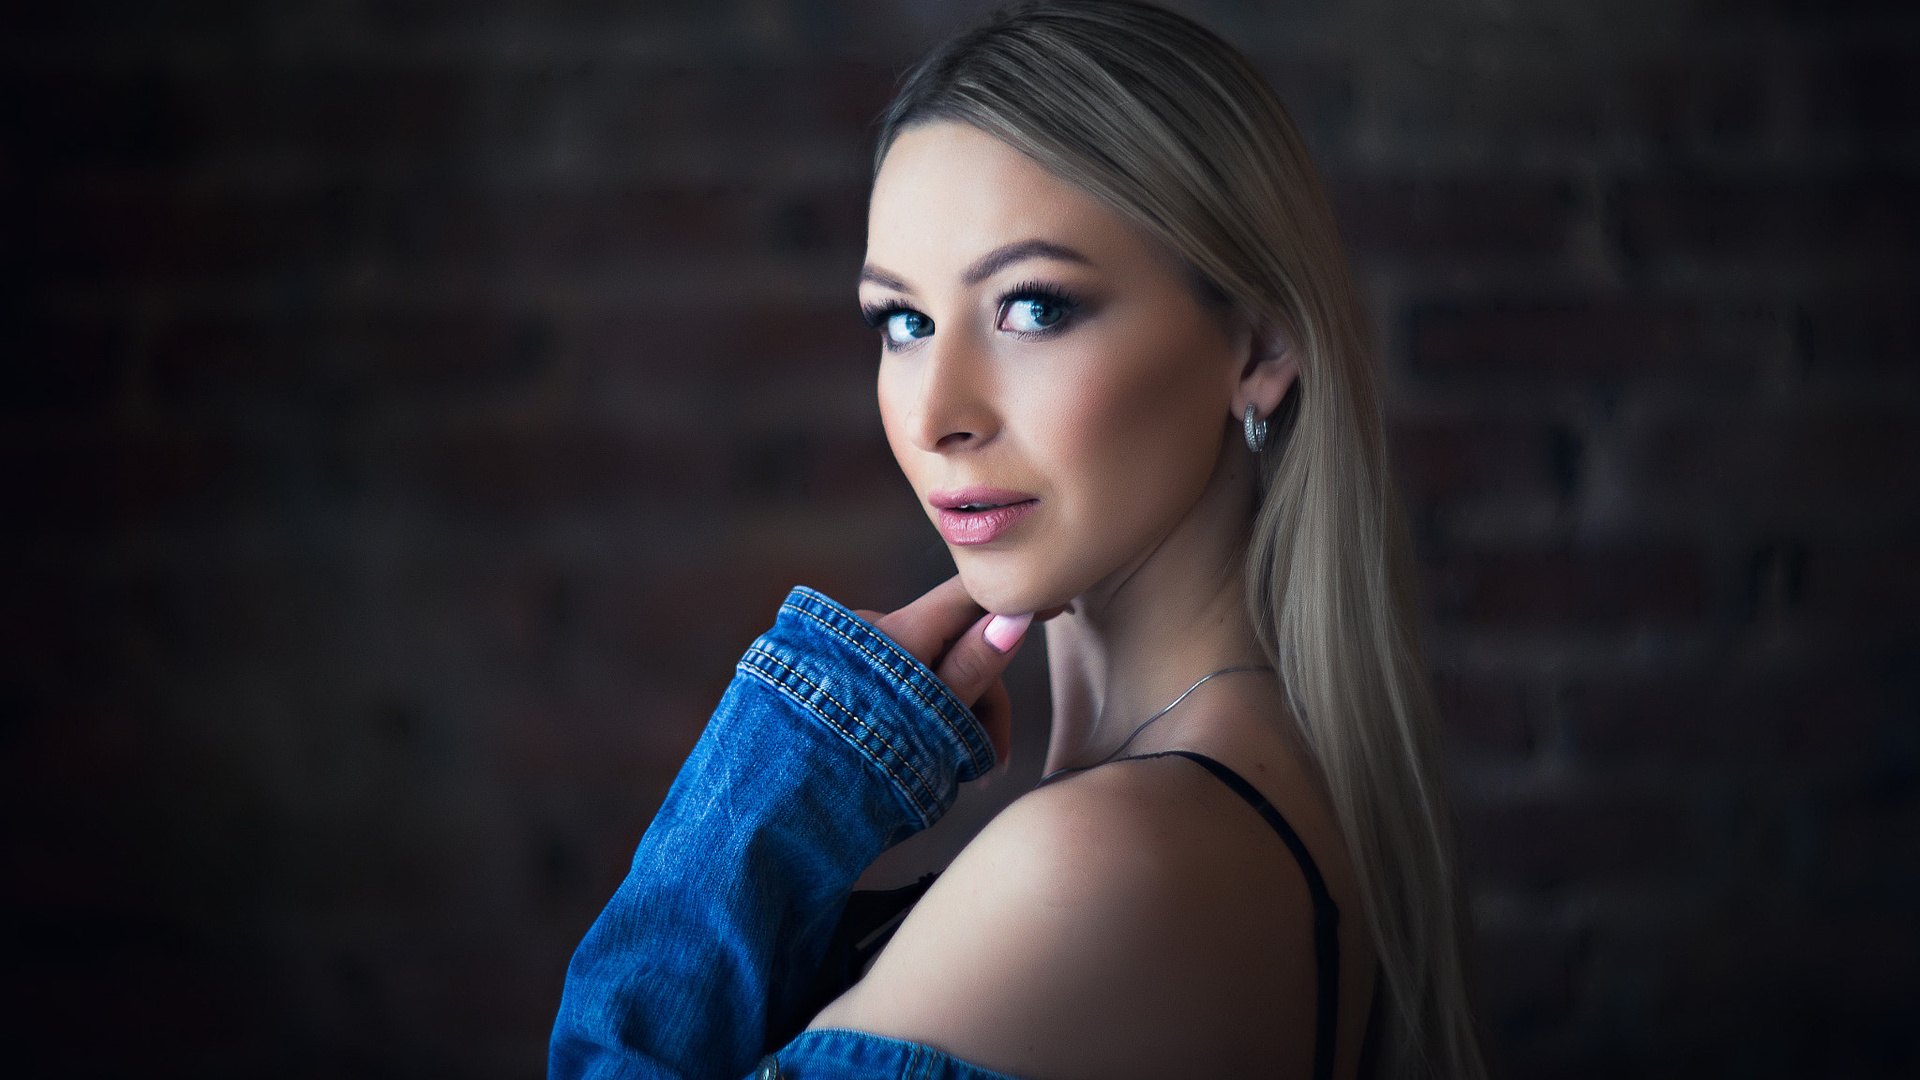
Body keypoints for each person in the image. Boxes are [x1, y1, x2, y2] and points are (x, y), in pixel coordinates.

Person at [550, 3, 1487, 1078]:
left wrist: (797, 757)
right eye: (901, 322)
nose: (937, 412)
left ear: (1261, 345)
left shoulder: (1101, 864)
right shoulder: (1262, 798)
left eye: (1033, 308)